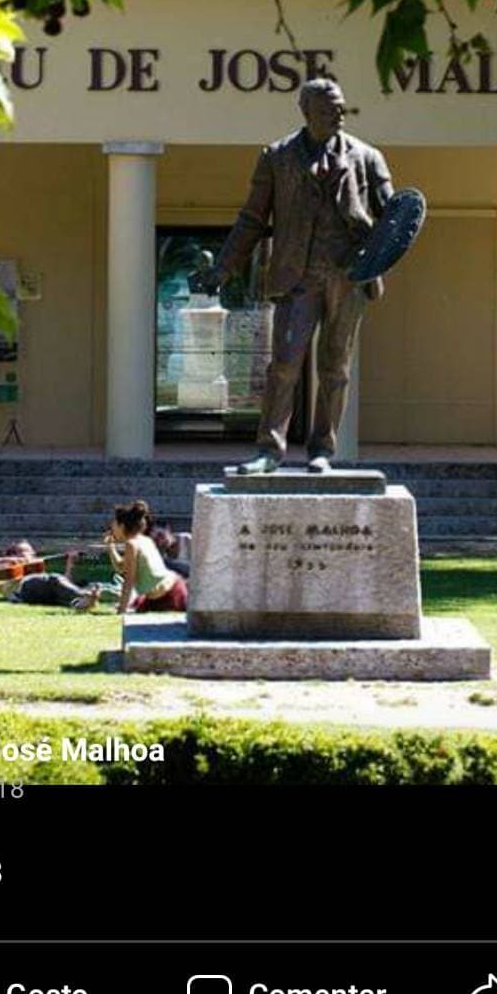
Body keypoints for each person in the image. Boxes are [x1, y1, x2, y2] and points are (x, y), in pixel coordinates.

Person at [199, 76, 394, 471]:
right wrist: (223, 267)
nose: (337, 114)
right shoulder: (277, 157)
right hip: (296, 276)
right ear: (306, 112)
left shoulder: (367, 156)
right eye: (327, 109)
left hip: (348, 277)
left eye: (341, 107)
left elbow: (395, 219)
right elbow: (252, 219)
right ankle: (268, 452)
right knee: (284, 364)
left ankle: (322, 451)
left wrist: (368, 226)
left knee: (335, 368)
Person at [106, 501, 189, 615]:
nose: (112, 528)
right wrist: (111, 547)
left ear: (122, 526)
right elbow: (121, 567)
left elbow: (129, 581)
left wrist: (121, 612)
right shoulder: (143, 540)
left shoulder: (132, 544)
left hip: (170, 594)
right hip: (161, 594)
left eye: (114, 524)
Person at [0, 540, 101, 612]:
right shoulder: (4, 572)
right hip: (23, 591)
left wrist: (70, 564)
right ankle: (83, 595)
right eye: (27, 552)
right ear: (13, 554)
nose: (32, 556)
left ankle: (81, 603)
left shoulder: (35, 571)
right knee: (52, 579)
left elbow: (64, 585)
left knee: (58, 590)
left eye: (33, 553)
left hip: (42, 593)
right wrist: (12, 560)